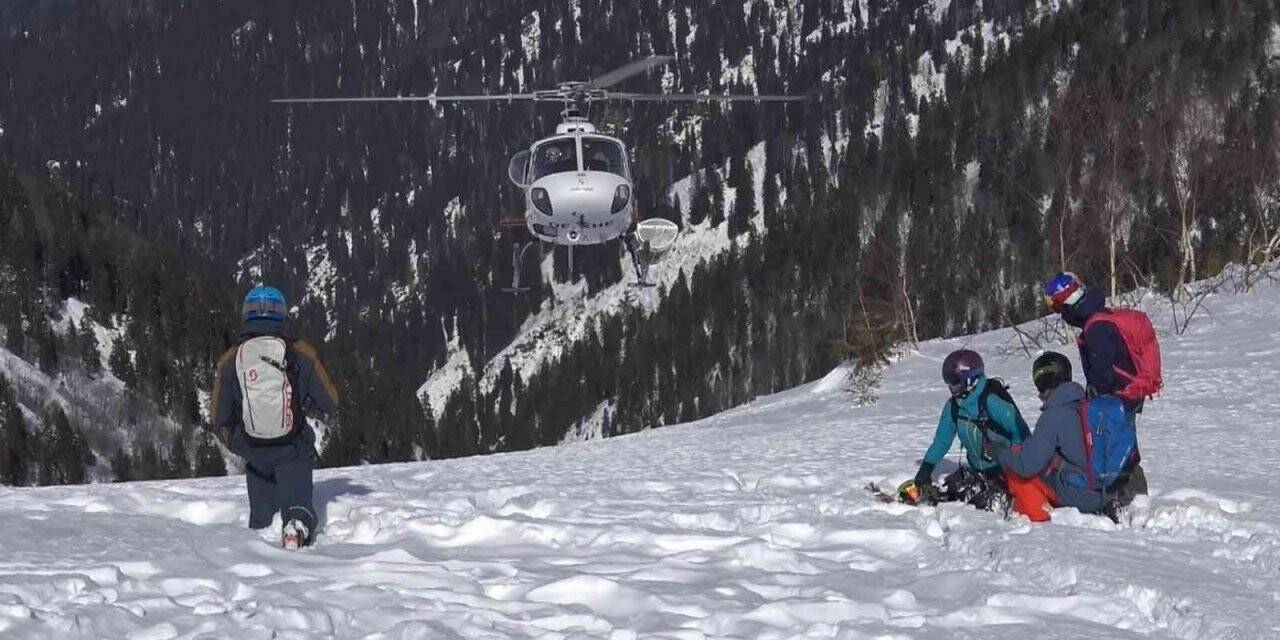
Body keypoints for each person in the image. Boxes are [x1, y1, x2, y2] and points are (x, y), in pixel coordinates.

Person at [211, 285, 339, 549]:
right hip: (292, 448)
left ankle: (260, 533)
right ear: (282, 315)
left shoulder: (231, 359)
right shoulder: (300, 353)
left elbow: (218, 416)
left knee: (262, 515)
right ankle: (296, 525)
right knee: (297, 501)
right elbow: (330, 401)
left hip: (253, 448)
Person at [1043, 272, 1158, 494]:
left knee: (1118, 448)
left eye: (1055, 306)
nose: (1057, 313)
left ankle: (1126, 495)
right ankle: (1127, 493)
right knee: (1122, 445)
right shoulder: (1097, 317)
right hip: (1127, 392)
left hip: (1118, 397)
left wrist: (1095, 397)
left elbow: (1103, 374)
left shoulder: (1096, 328)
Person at [983, 352, 1111, 521]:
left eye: (1039, 386)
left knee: (1016, 468)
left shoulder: (1054, 415)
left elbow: (1026, 466)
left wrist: (998, 451)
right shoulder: (1089, 405)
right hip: (1107, 490)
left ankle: (1038, 519)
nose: (1039, 394)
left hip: (1082, 495)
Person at [906, 349, 1029, 511]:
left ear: (971, 379)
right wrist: (926, 468)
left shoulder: (991, 401)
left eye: (955, 382)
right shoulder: (953, 406)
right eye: (948, 382)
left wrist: (1016, 469)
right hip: (978, 471)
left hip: (1006, 473)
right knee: (953, 491)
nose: (951, 387)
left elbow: (1021, 434)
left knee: (981, 504)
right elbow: (941, 442)